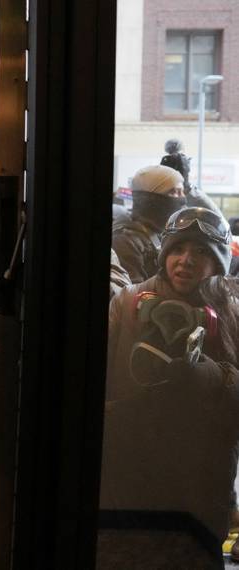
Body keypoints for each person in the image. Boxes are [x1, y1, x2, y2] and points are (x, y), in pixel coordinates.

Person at [100, 207, 239, 566]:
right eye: (178, 250)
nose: (186, 261)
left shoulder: (233, 315)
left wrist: (215, 378)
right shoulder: (127, 303)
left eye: (201, 252)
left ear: (220, 262)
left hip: (197, 505)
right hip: (125, 498)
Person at [111, 165, 187, 283]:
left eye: (182, 191)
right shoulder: (124, 240)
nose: (183, 199)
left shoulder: (161, 232)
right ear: (151, 199)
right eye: (174, 192)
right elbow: (133, 296)